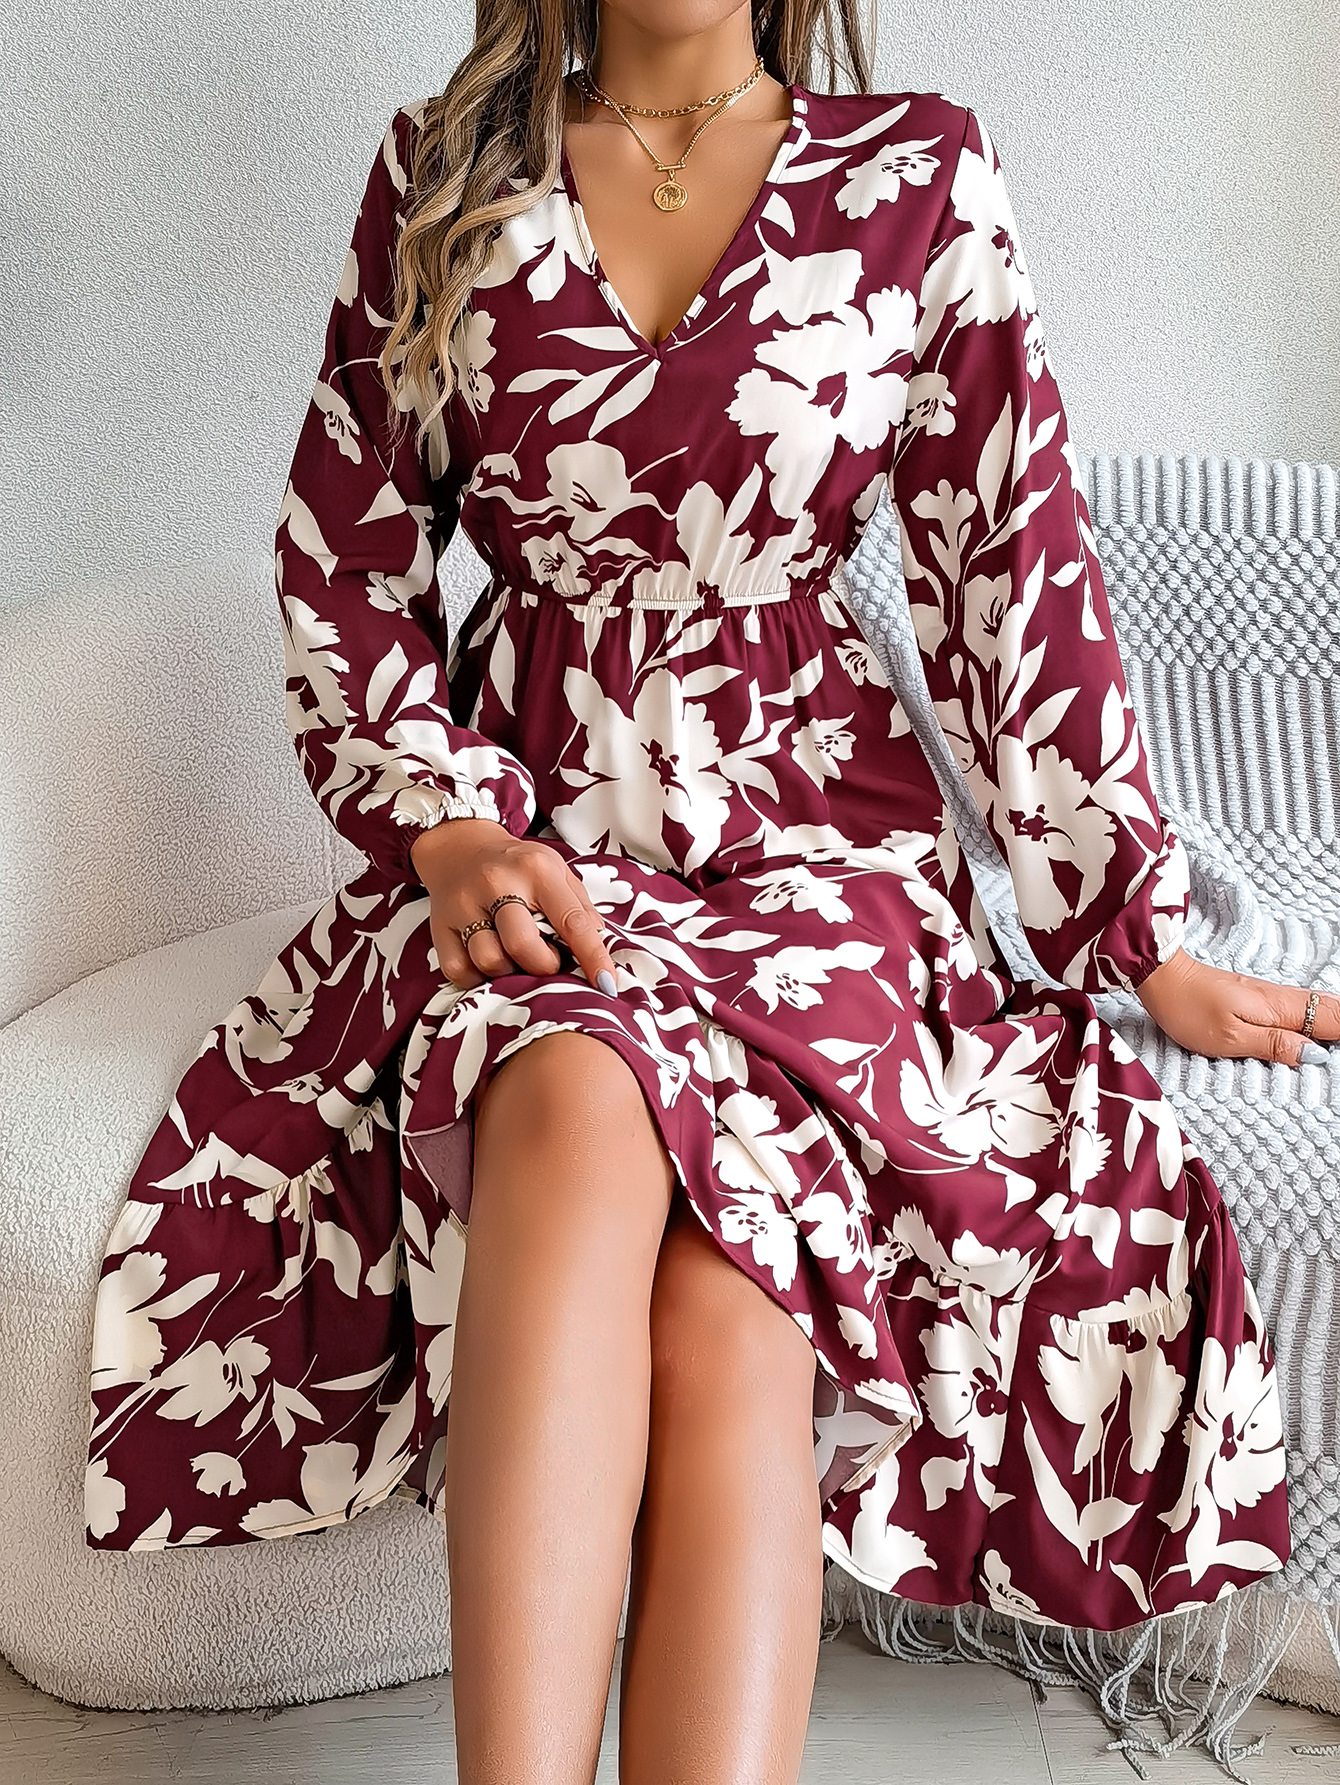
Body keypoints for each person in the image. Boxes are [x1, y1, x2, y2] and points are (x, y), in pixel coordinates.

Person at [85, 2, 1329, 1779]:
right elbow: (347, 562)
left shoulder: (919, 172)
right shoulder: (443, 177)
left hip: (825, 857)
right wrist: (447, 829)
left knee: (738, 1298)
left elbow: (1012, 565)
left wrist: (1141, 930)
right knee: (574, 1098)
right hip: (540, 846)